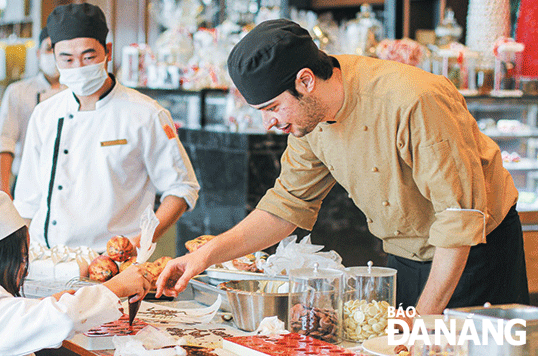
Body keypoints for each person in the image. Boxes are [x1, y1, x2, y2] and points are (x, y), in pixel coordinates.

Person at [156, 19, 529, 315]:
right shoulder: (307, 120)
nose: (269, 122)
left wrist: (424, 322)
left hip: (476, 254)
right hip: (404, 256)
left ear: (306, 81)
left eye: (272, 108)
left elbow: (457, 218)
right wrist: (202, 257)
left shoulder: (413, 100)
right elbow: (285, 206)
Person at [14, 3, 200, 251]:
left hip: (113, 259)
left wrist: (140, 241)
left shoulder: (146, 113)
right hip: (45, 256)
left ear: (108, 52)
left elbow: (182, 187)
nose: (78, 67)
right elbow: (27, 200)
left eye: (88, 57)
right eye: (66, 59)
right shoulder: (44, 113)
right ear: (54, 58)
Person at [0, 187, 151, 356]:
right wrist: (118, 286)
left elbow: (18, 316)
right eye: (20, 258)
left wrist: (56, 299)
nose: (24, 266)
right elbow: (60, 317)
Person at [0, 27, 64, 198]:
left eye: (59, 50)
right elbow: (5, 142)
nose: (53, 55)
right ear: (38, 53)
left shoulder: (75, 92)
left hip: (66, 182)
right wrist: (4, 191)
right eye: (48, 49)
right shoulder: (18, 91)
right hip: (27, 181)